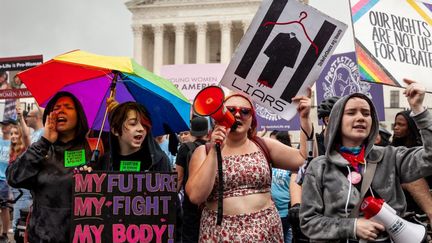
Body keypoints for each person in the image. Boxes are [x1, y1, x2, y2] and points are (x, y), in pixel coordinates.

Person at [300, 79, 432, 242]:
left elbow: (429, 158)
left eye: (366, 113)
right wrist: (352, 227)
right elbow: (308, 223)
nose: (361, 118)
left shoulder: (391, 157)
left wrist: (419, 109)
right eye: (351, 112)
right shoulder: (319, 167)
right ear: (336, 121)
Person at [186, 91, 313, 242]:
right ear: (219, 116)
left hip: (266, 234)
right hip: (220, 235)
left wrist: (304, 119)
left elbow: (304, 160)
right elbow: (196, 196)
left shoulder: (263, 145)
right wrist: (215, 150)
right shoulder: (204, 152)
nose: (238, 115)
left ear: (252, 119)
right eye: (231, 110)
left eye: (245, 111)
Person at [6, 91, 103, 242]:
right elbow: (14, 178)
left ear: (79, 116)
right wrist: (44, 142)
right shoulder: (41, 149)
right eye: (56, 108)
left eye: (68, 107)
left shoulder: (95, 149)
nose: (61, 111)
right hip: (41, 237)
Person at [391, 110, 432, 230]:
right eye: (395, 124)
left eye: (401, 125)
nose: (396, 128)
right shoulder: (391, 149)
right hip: (398, 207)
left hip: (420, 207)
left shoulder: (421, 151)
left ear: (411, 126)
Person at [176, 116, 209, 242]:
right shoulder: (213, 147)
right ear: (207, 131)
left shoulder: (185, 148)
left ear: (192, 130)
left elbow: (178, 178)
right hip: (209, 202)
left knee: (189, 236)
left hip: (190, 204)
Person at [8, 124, 32, 233]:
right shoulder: (13, 149)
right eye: (11, 133)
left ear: (21, 135)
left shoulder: (23, 149)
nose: (13, 136)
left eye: (16, 133)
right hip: (16, 189)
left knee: (20, 221)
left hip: (22, 189)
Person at [271, 131, 293, 243]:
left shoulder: (291, 162)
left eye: (273, 142)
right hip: (271, 213)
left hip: (285, 213)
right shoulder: (270, 160)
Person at [0, 119, 14, 241]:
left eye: (6, 125)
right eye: (2, 125)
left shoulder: (14, 142)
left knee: (4, 207)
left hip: (5, 179)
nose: (3, 127)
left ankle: (4, 233)